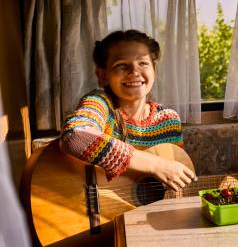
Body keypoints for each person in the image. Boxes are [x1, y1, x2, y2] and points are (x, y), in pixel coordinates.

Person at [61, 29, 196, 191]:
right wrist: (155, 164)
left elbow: (175, 184)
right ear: (102, 75)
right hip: (100, 214)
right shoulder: (100, 103)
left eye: (143, 63)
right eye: (122, 65)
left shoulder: (168, 120)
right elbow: (75, 135)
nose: (134, 72)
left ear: (154, 69)